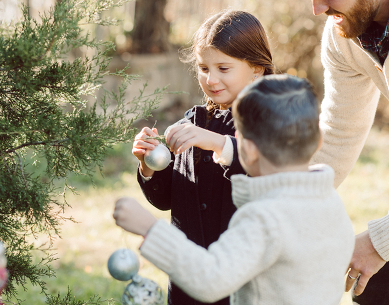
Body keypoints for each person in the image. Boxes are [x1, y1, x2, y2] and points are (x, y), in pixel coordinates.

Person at [114, 74, 355, 305]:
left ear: (246, 148)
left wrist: (149, 227)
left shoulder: (264, 218)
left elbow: (210, 278)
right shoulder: (330, 202)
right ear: (318, 140)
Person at [131, 9, 274, 305]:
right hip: (188, 276)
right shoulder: (192, 123)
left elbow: (265, 173)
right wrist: (149, 165)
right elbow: (167, 199)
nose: (211, 79)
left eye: (223, 68)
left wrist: (218, 143)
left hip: (241, 281)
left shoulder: (269, 122)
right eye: (203, 68)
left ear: (257, 68)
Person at [304, 0, 389, 303]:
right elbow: (338, 135)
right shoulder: (342, 38)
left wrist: (381, 242)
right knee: (374, 291)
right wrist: (282, 201)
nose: (316, 7)